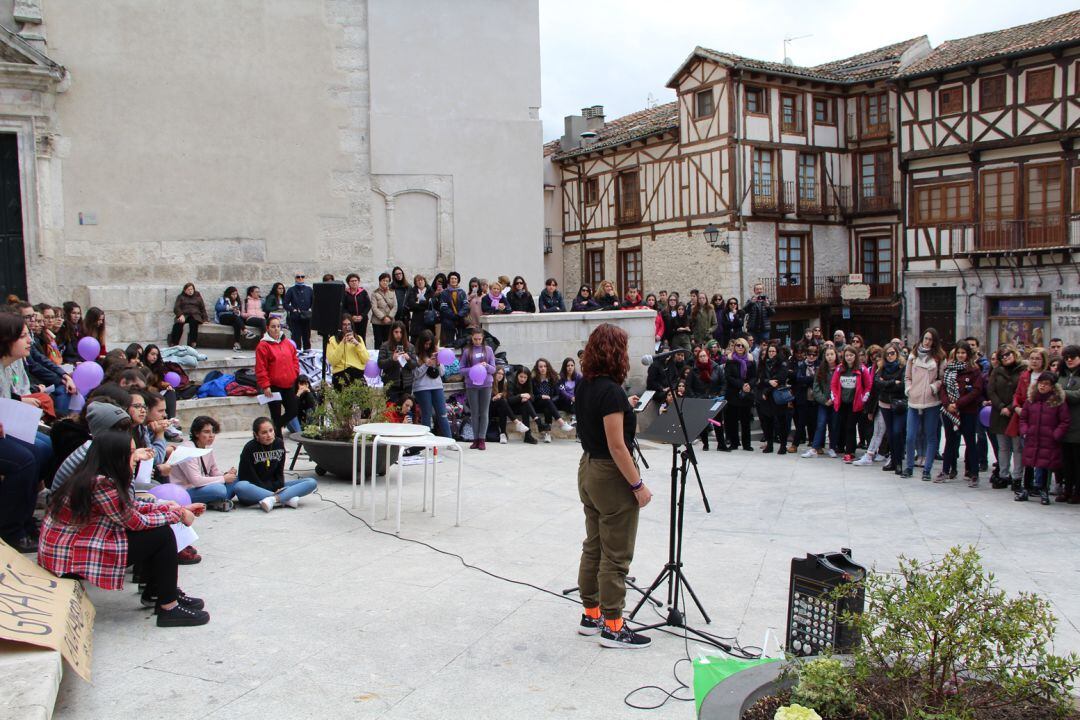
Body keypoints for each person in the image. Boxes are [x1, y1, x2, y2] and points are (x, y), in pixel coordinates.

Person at [39, 428, 209, 626]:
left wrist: (172, 507)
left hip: (73, 546)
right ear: (115, 455)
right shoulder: (100, 483)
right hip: (68, 556)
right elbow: (135, 521)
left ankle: (157, 592)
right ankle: (168, 607)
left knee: (155, 531)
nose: (136, 456)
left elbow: (129, 508)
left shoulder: (98, 476)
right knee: (161, 535)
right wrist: (177, 514)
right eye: (130, 452)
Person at [574, 323, 651, 649]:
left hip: (588, 467)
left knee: (594, 544)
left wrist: (624, 407)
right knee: (615, 552)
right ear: (615, 353)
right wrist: (637, 485)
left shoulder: (586, 385)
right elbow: (618, 446)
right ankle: (614, 625)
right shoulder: (611, 392)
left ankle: (591, 614)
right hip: (609, 473)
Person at [236, 417, 318, 511]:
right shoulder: (249, 448)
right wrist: (272, 490)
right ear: (256, 434)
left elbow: (279, 472)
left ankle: (274, 499)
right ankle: (285, 498)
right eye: (264, 432)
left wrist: (279, 487)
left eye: (271, 431)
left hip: (274, 487)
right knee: (240, 486)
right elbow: (247, 477)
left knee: (311, 482)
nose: (269, 435)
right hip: (255, 491)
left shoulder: (278, 443)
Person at [168, 416, 243, 512]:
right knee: (219, 489)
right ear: (196, 433)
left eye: (213, 432)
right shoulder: (187, 450)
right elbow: (196, 481)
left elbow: (214, 472)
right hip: (186, 491)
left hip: (203, 487)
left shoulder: (207, 447)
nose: (211, 435)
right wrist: (223, 479)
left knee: (236, 480)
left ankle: (212, 502)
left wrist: (227, 474)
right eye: (206, 432)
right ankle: (213, 501)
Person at [1017, 372, 1070, 505]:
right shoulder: (1031, 399)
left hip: (1048, 439)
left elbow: (1065, 421)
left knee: (1046, 464)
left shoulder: (1057, 401)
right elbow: (1023, 417)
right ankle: (1026, 488)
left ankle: (1043, 490)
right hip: (1032, 437)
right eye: (1041, 383)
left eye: (1046, 384)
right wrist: (1025, 430)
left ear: (1052, 387)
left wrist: (1056, 434)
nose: (1042, 386)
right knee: (1029, 463)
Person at [937, 342, 985, 486]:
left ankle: (974, 473)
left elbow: (976, 391)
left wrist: (958, 404)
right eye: (958, 353)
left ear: (968, 354)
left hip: (967, 411)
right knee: (950, 441)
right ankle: (946, 470)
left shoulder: (974, 370)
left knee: (970, 441)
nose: (960, 355)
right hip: (949, 411)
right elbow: (943, 388)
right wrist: (947, 404)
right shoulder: (949, 369)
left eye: (963, 353)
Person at [903, 329, 946, 480]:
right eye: (925, 338)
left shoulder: (940, 356)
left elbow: (942, 378)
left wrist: (933, 387)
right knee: (910, 436)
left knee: (930, 436)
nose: (927, 341)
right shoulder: (913, 356)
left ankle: (927, 469)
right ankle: (908, 467)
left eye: (930, 339)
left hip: (931, 401)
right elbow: (907, 376)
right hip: (913, 401)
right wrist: (909, 389)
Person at [255, 316, 300, 437]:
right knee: (275, 414)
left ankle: (274, 426)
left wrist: (295, 372)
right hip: (273, 386)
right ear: (267, 328)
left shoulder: (287, 343)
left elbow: (295, 358)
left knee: (293, 410)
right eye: (273, 326)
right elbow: (261, 367)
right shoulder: (263, 346)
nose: (276, 329)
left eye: (278, 326)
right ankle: (278, 443)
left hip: (288, 384)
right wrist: (265, 385)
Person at [987, 345, 1025, 490]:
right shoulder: (996, 371)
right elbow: (991, 390)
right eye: (1002, 356)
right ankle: (1003, 475)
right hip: (999, 413)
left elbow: (1021, 391)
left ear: (1014, 354)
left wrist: (1010, 407)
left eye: (1008, 354)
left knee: (1017, 447)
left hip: (1015, 412)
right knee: (1003, 447)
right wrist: (1001, 406)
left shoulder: (1022, 370)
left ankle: (1017, 477)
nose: (1005, 357)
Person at [460, 327, 496, 450]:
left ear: (483, 338)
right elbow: (461, 369)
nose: (477, 341)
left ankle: (482, 438)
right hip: (471, 384)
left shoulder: (488, 350)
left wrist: (486, 366)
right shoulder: (467, 351)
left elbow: (494, 369)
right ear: (472, 338)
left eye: (479, 339)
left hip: (486, 383)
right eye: (475, 339)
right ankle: (475, 439)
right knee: (474, 412)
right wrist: (474, 369)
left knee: (484, 412)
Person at [411, 331, 452, 438]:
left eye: (429, 344)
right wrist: (426, 365)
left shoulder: (435, 353)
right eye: (425, 344)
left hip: (437, 386)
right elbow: (415, 374)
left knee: (442, 414)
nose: (427, 346)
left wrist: (438, 363)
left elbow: (442, 373)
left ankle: (449, 439)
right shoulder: (415, 355)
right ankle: (426, 441)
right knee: (426, 414)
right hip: (422, 388)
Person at [874, 343, 907, 474]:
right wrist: (893, 382)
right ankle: (894, 461)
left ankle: (899, 462)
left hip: (898, 404)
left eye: (892, 353)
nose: (890, 356)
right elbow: (877, 383)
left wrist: (886, 383)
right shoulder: (881, 367)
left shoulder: (902, 367)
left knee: (897, 432)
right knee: (891, 434)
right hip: (885, 403)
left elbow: (902, 385)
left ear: (897, 353)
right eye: (887, 353)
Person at [831, 346, 867, 464]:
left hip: (855, 403)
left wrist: (864, 397)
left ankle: (850, 452)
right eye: (847, 355)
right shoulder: (839, 369)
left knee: (851, 427)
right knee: (843, 425)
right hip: (842, 402)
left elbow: (868, 384)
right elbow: (834, 384)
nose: (849, 358)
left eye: (851, 355)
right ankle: (843, 447)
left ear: (855, 356)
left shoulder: (862, 369)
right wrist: (835, 397)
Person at [757, 344, 791, 454]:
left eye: (773, 351)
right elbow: (761, 379)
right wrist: (768, 382)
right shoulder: (763, 363)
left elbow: (781, 378)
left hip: (777, 395)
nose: (771, 353)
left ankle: (783, 445)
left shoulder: (782, 363)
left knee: (781, 422)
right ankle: (770, 444)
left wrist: (767, 390)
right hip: (766, 398)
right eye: (769, 351)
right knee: (767, 422)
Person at [724, 337, 756, 451]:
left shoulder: (751, 360)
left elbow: (754, 376)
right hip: (733, 393)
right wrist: (741, 384)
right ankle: (734, 442)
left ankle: (747, 444)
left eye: (742, 345)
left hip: (746, 394)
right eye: (738, 345)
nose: (740, 347)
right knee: (732, 420)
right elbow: (728, 376)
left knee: (745, 420)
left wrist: (749, 385)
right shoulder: (730, 359)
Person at [1058, 346, 1080, 503]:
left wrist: (1061, 393)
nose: (1069, 360)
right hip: (1063, 425)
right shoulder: (1061, 375)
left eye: (1073, 357)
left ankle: (1077, 491)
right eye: (1066, 358)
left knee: (1078, 462)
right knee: (1066, 462)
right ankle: (1066, 489)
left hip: (1078, 425)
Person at [532, 358, 574, 439]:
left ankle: (547, 434)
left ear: (548, 367)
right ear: (537, 368)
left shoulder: (553, 378)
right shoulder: (533, 380)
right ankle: (562, 423)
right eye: (540, 367)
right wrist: (541, 396)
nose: (543, 368)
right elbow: (532, 396)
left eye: (545, 366)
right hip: (538, 404)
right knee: (547, 403)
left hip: (551, 404)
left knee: (548, 408)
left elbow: (557, 395)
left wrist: (549, 400)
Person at [377, 321, 417, 404]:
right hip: (391, 384)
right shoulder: (385, 346)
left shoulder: (410, 347)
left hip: (406, 384)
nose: (399, 335)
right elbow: (380, 364)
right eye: (396, 332)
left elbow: (414, 365)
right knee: (391, 412)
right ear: (392, 332)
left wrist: (408, 359)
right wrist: (392, 359)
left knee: (405, 410)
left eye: (401, 332)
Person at [326, 313, 370, 388]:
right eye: (344, 324)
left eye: (349, 324)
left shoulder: (358, 338)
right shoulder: (332, 340)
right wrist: (342, 343)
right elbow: (332, 361)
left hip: (357, 373)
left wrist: (357, 344)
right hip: (341, 373)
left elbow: (366, 359)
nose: (347, 327)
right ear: (340, 326)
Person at [791, 344, 819, 454]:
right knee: (801, 423)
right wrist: (812, 379)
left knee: (814, 423)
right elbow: (799, 379)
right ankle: (795, 444)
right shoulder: (801, 365)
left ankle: (815, 444)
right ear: (806, 355)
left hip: (815, 399)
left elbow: (820, 380)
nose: (811, 356)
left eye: (814, 354)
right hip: (803, 398)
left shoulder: (819, 365)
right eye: (809, 354)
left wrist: (808, 380)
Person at [508, 366, 543, 444]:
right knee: (525, 403)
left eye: (525, 377)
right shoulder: (511, 381)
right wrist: (521, 396)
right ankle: (538, 422)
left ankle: (528, 436)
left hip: (523, 406)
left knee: (526, 404)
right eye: (521, 376)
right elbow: (509, 400)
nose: (522, 379)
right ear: (517, 375)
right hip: (512, 408)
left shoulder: (528, 382)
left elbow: (532, 398)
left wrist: (528, 396)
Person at [169, 283, 208, 348]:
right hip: (184, 315)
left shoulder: (198, 297)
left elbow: (202, 308)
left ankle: (193, 342)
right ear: (185, 290)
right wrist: (180, 315)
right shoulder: (181, 297)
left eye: (191, 289)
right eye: (188, 289)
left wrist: (205, 319)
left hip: (195, 315)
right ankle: (174, 343)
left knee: (194, 323)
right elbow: (176, 307)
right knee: (178, 324)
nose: (190, 291)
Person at [438, 271, 469, 347]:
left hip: (460, 321)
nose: (453, 280)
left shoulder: (462, 292)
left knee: (461, 342)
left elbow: (466, 306)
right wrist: (453, 316)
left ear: (458, 280)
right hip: (448, 322)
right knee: (448, 343)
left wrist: (459, 315)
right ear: (449, 280)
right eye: (452, 278)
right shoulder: (444, 293)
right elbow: (443, 307)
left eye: (455, 278)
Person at [284, 272, 313, 351]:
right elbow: (285, 303)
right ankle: (296, 354)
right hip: (296, 317)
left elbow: (313, 302)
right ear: (295, 278)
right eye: (298, 277)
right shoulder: (291, 290)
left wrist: (310, 310)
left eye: (302, 277)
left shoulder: (309, 289)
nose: (300, 278)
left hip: (306, 317)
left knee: (306, 338)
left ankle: (307, 354)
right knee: (296, 338)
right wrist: (292, 309)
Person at [214, 286, 246, 351]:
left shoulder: (237, 302)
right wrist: (229, 308)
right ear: (229, 294)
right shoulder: (222, 299)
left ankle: (236, 343)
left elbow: (238, 314)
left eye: (236, 294)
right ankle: (244, 329)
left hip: (233, 318)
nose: (235, 296)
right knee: (235, 318)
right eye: (233, 294)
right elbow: (217, 308)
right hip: (223, 317)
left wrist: (237, 312)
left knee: (236, 324)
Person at [342, 273, 371, 342]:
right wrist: (351, 317)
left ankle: (362, 351)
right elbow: (343, 307)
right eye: (352, 281)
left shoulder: (363, 292)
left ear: (358, 282)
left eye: (356, 280)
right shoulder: (345, 293)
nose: (354, 282)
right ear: (348, 283)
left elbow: (368, 305)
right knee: (350, 336)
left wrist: (362, 316)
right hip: (350, 320)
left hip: (362, 319)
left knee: (361, 337)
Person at [405, 274, 435, 342]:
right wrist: (425, 303)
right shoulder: (413, 291)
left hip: (428, 319)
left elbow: (432, 303)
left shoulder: (430, 290)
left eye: (421, 280)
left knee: (427, 339)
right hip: (416, 320)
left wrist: (419, 303)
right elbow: (411, 304)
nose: (420, 282)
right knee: (416, 341)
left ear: (424, 281)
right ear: (415, 283)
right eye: (418, 280)